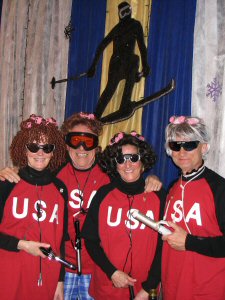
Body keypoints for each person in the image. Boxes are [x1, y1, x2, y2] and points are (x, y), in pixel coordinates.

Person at [0, 112, 162, 300]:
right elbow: (32, 171)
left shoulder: (110, 177)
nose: (82, 147)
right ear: (66, 145)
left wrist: (153, 178)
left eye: (89, 141)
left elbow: (132, 176)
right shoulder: (55, 176)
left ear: (97, 146)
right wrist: (10, 172)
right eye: (75, 140)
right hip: (60, 267)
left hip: (97, 271)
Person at [82, 131, 166, 300]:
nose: (127, 165)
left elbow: (164, 247)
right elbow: (90, 240)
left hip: (145, 290)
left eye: (133, 158)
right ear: (115, 164)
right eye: (121, 159)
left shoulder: (159, 196)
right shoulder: (103, 195)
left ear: (142, 160)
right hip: (108, 286)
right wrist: (111, 272)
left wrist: (148, 287)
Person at [0, 114, 68, 300]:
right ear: (24, 149)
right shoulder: (7, 183)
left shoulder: (60, 188)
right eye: (33, 146)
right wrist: (22, 245)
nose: (40, 153)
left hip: (47, 276)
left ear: (54, 152)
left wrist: (60, 281)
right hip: (8, 275)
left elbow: (60, 239)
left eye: (47, 147)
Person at [162, 115, 225, 300]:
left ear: (203, 147)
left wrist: (189, 242)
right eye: (175, 145)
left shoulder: (218, 188)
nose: (182, 152)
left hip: (206, 290)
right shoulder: (172, 187)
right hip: (172, 287)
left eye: (189, 145)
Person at [87, 1, 150, 122]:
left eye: (128, 10)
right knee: (110, 89)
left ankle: (124, 102)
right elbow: (102, 45)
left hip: (123, 62)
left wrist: (145, 64)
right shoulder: (120, 28)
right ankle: (95, 117)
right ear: (119, 14)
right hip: (118, 62)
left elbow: (142, 45)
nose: (126, 14)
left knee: (134, 62)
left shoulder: (134, 25)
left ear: (131, 10)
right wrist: (93, 66)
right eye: (123, 12)